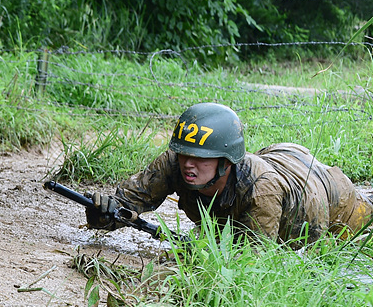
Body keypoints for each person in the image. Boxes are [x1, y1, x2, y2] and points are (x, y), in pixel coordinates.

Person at [85, 102, 373, 246]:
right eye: (185, 154)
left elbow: (252, 262)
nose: (188, 164)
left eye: (201, 158)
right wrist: (102, 211)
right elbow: (123, 206)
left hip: (331, 196)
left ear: (225, 162)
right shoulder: (176, 161)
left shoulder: (263, 190)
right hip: (277, 157)